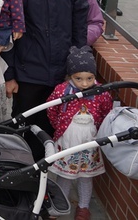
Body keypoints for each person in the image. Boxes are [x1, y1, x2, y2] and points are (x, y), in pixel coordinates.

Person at [7, 0, 89, 136]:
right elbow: (8, 33)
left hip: (62, 75)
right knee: (25, 131)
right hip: (29, 76)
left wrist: (77, 69)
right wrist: (9, 76)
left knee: (55, 131)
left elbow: (80, 32)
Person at [46, 48, 113, 220]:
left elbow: (107, 112)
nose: (84, 84)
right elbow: (51, 109)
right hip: (67, 140)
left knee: (85, 177)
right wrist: (59, 127)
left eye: (89, 79)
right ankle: (61, 205)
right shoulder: (62, 91)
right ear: (70, 76)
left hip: (89, 142)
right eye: (78, 79)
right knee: (65, 176)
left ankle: (83, 207)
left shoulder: (100, 93)